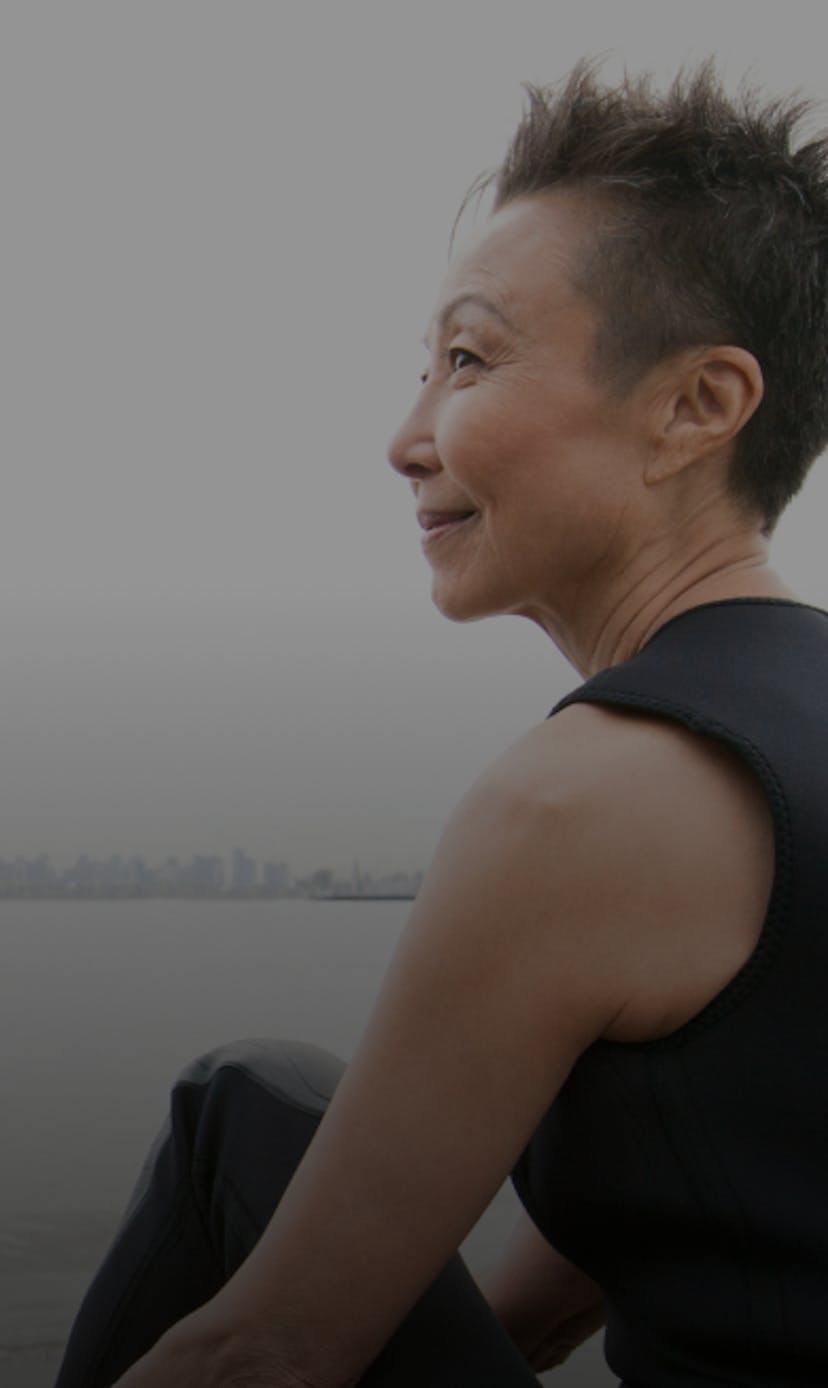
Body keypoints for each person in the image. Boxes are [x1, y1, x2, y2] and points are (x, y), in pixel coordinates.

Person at [55, 59, 828, 1388]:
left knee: (238, 1111)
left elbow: (275, 1349)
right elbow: (636, 1246)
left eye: (467, 360)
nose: (408, 437)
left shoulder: (591, 800)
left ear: (698, 408)